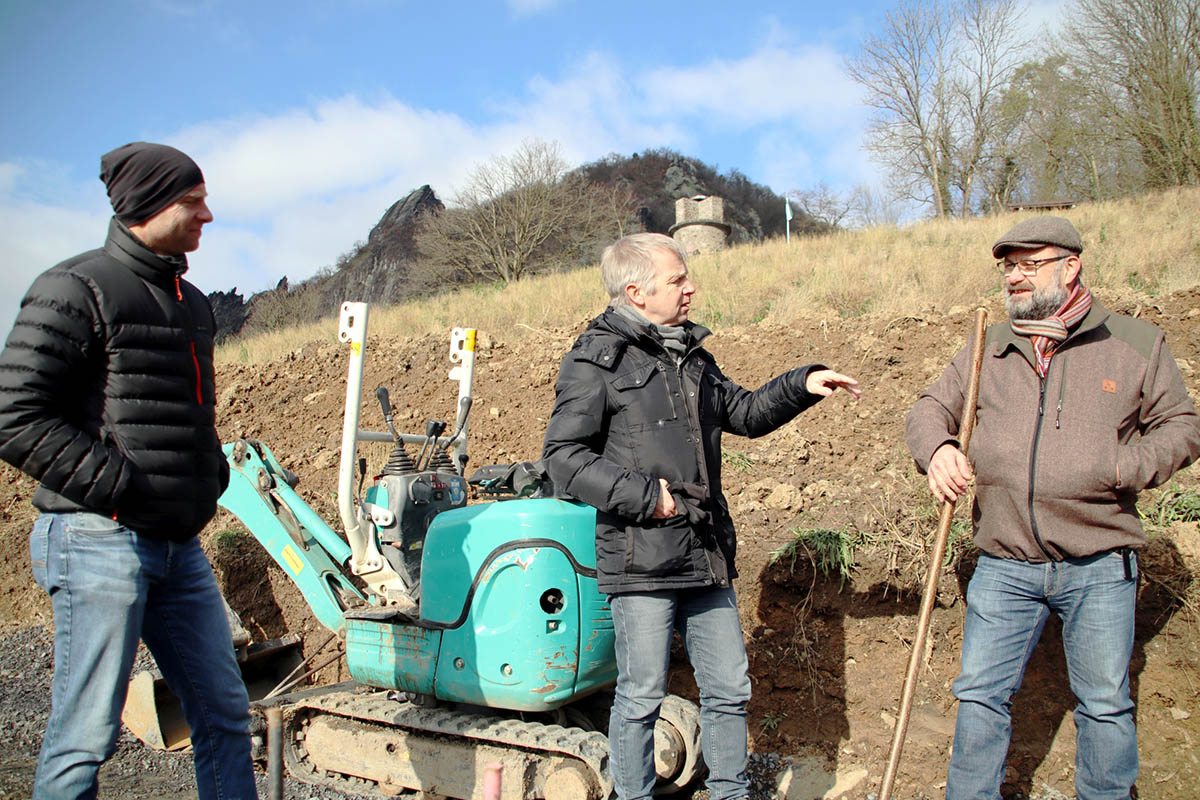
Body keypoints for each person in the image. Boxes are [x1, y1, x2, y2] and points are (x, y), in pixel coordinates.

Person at [541, 232, 861, 800]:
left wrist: (801, 384)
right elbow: (564, 459)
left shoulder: (690, 354)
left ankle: (731, 793)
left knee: (730, 688)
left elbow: (745, 412)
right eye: (678, 280)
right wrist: (648, 497)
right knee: (640, 694)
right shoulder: (594, 359)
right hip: (641, 557)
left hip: (704, 550)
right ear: (636, 291)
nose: (690, 289)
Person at [906, 216, 1200, 800]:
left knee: (1104, 703)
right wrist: (936, 448)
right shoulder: (990, 343)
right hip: (1004, 561)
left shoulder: (1135, 344)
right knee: (978, 696)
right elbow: (929, 408)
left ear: (1071, 267)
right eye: (1008, 266)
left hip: (1098, 562)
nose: (1015, 277)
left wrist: (1121, 468)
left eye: (1029, 264)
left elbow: (1182, 427)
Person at [0, 142, 258, 800]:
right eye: (193, 202)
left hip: (178, 545)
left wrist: (207, 479)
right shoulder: (76, 287)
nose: (208, 215)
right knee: (84, 739)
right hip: (98, 540)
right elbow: (15, 416)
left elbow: (184, 415)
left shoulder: (193, 304)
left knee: (226, 716)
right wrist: (120, 488)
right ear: (148, 204)